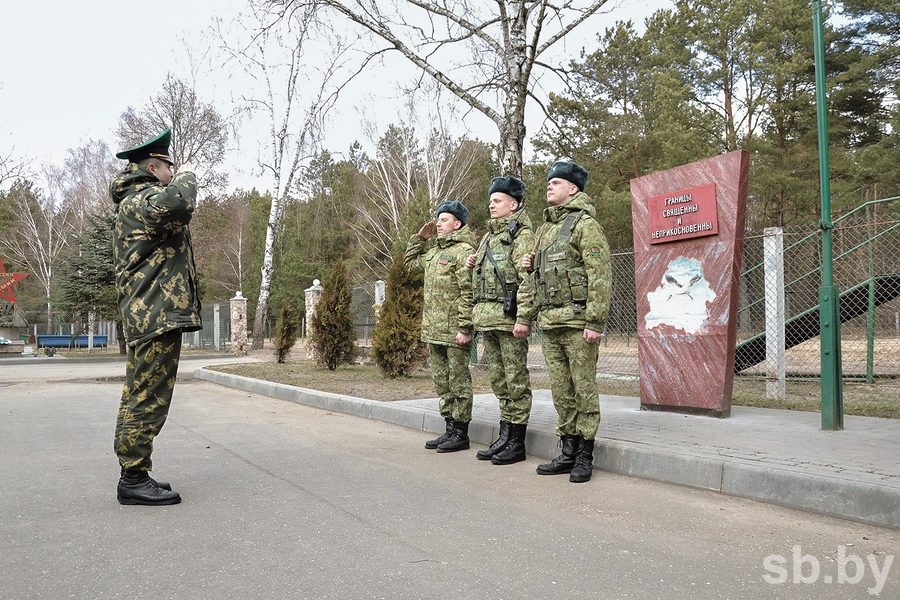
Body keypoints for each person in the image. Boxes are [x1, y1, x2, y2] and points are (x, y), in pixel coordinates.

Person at [110, 128, 201, 505]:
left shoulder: (140, 200)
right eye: (169, 165)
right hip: (154, 313)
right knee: (147, 395)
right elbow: (179, 202)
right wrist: (188, 175)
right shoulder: (140, 200)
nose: (173, 170)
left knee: (146, 393)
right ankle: (132, 478)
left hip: (157, 313)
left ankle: (136, 472)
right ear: (153, 166)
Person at [520, 161, 611, 483]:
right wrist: (528, 265)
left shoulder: (585, 225)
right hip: (550, 321)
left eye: (556, 182)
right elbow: (534, 277)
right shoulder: (544, 230)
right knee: (561, 390)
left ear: (573, 188)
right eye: (549, 182)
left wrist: (595, 321)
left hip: (577, 322)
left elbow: (599, 275)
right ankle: (568, 449)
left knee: (583, 389)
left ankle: (585, 454)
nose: (549, 187)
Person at [465, 176, 535, 465]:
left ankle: (516, 442)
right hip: (488, 319)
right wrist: (473, 265)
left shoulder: (521, 234)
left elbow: (527, 278)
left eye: (497, 200)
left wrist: (524, 317)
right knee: (500, 381)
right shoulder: (489, 236)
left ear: (513, 203)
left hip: (508, 320)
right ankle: (505, 436)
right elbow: (484, 277)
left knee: (515, 380)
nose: (491, 205)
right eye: (490, 200)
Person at [405, 200, 476, 453]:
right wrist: (419, 239)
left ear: (457, 224)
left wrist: (465, 328)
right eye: (438, 219)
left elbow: (469, 293)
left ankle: (461, 432)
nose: (438, 224)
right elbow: (410, 265)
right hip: (434, 330)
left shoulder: (464, 251)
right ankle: (449, 429)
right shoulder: (434, 252)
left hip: (454, 331)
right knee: (442, 383)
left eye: (444, 220)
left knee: (459, 383)